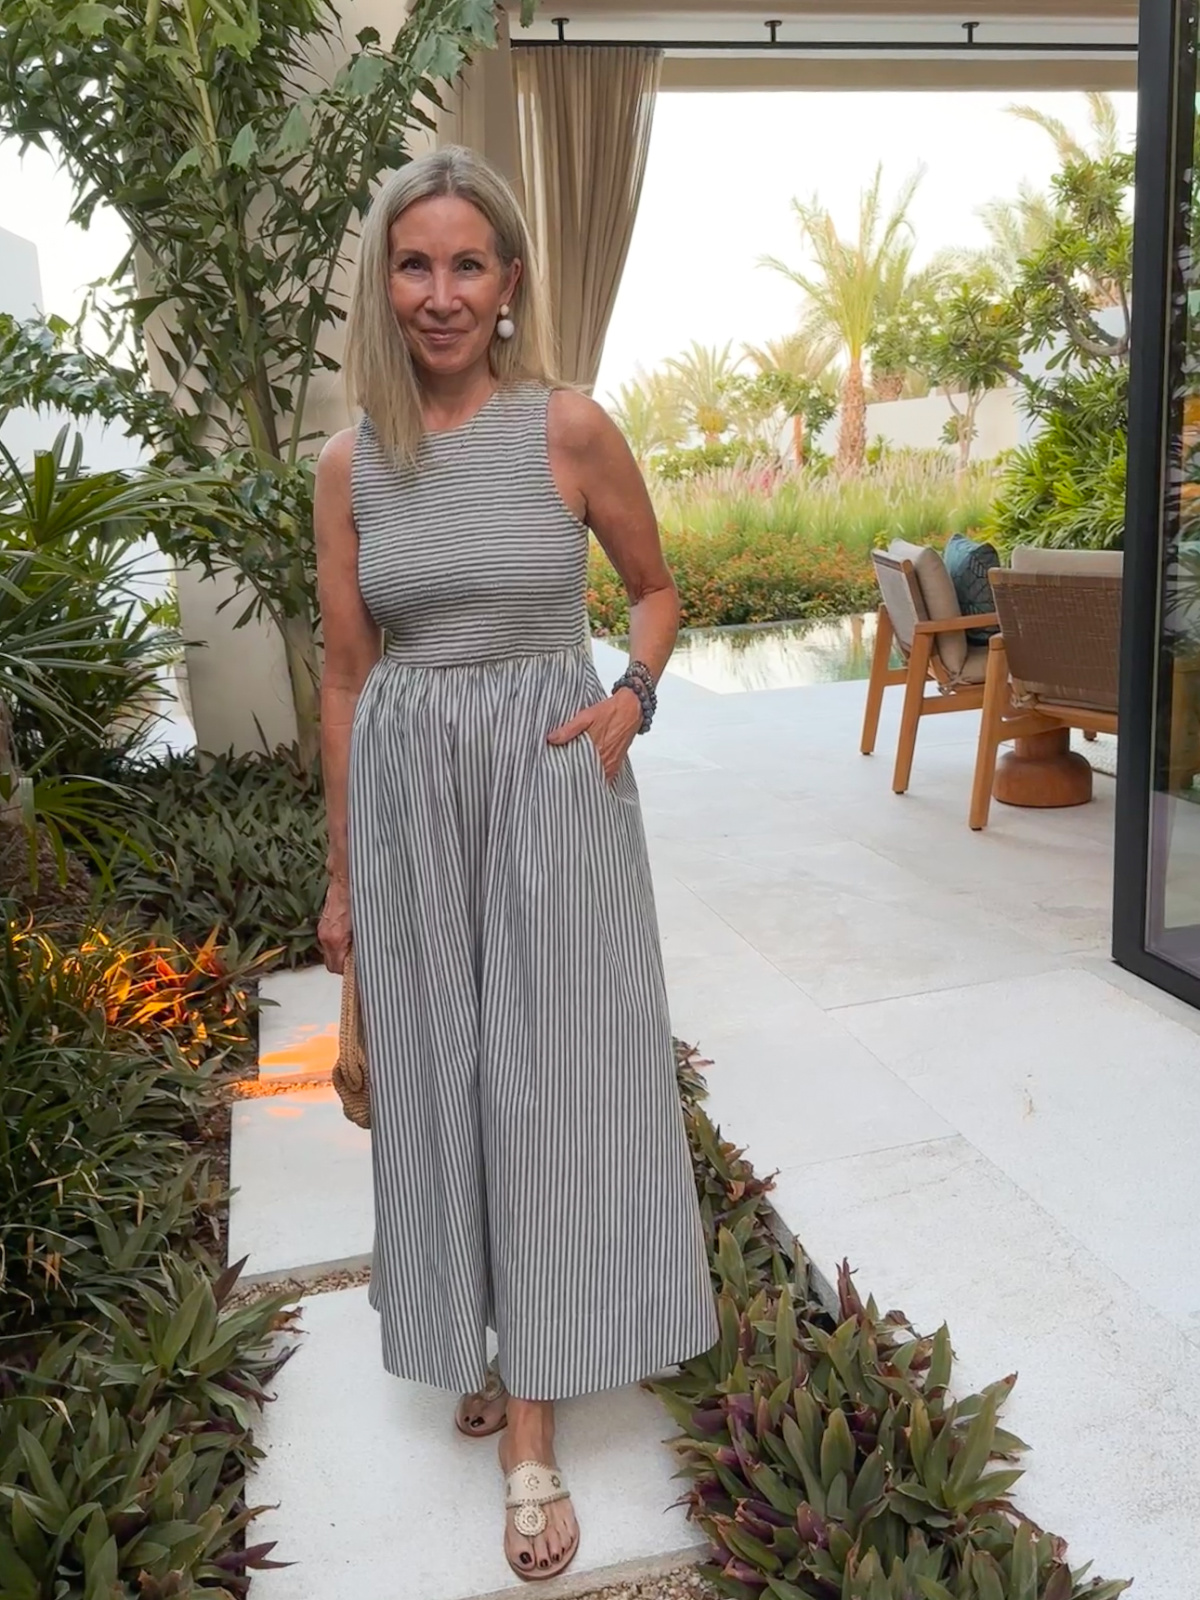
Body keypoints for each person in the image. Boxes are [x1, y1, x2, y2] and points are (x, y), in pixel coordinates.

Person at [314, 144, 717, 1583]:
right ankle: (478, 1328)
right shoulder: (350, 462)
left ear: (510, 281)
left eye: (466, 264)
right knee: (439, 1080)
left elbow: (661, 591)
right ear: (387, 283)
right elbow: (350, 678)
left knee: (545, 1089)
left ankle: (532, 1426)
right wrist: (348, 875)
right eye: (413, 265)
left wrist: (634, 694)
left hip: (553, 789)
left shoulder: (570, 429)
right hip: (417, 803)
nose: (438, 293)